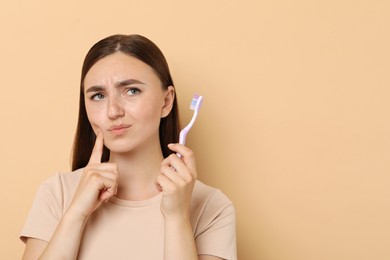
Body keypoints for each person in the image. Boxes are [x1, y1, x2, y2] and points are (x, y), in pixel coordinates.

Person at [20, 34, 236, 260]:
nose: (113, 111)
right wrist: (75, 215)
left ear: (167, 101)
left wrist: (177, 218)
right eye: (98, 95)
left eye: (132, 91)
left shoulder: (212, 207)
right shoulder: (57, 193)